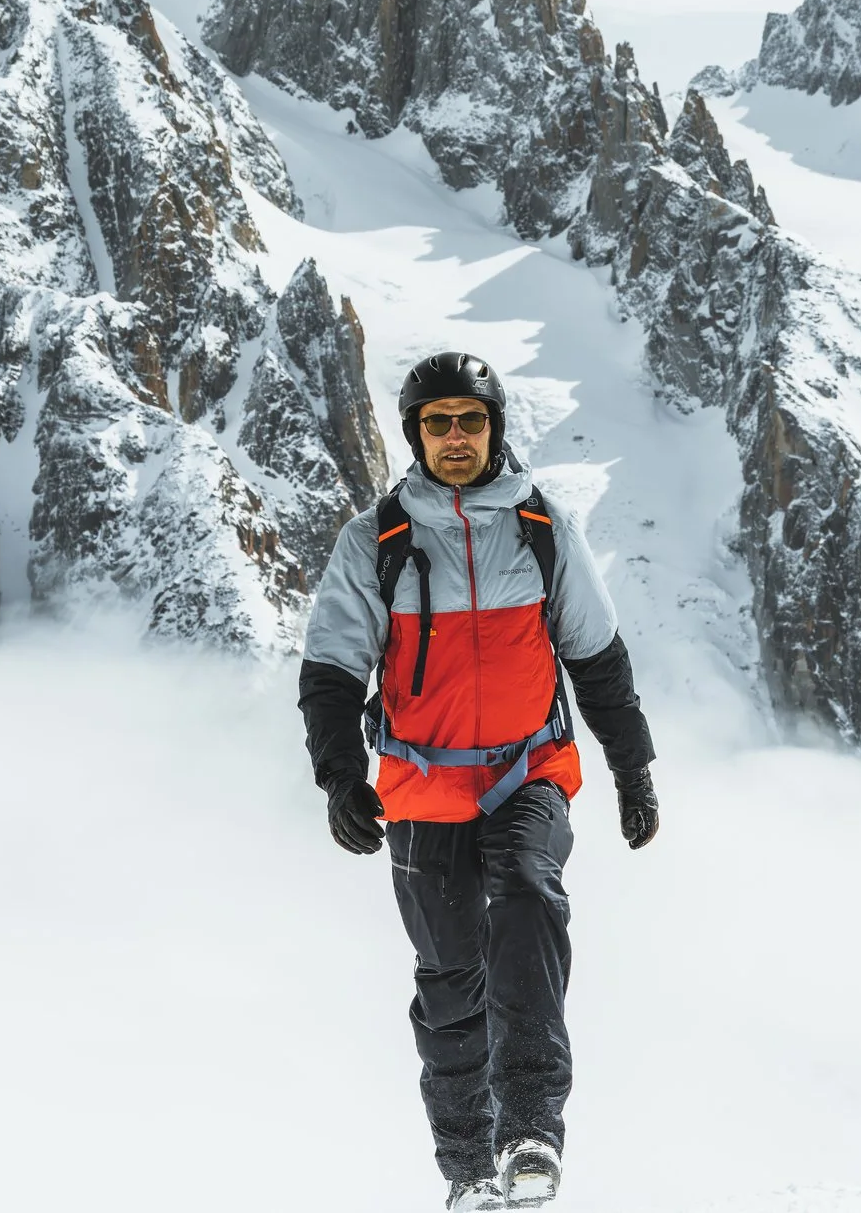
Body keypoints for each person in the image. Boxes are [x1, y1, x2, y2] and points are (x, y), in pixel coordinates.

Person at [299, 352, 661, 1212]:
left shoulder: (542, 528)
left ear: (495, 425)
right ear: (416, 434)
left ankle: (530, 1127)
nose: (455, 437)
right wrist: (341, 774)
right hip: (423, 790)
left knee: (529, 896)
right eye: (438, 422)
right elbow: (332, 670)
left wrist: (632, 768)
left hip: (527, 771)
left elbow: (598, 659)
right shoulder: (376, 542)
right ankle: (467, 1173)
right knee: (451, 980)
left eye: (470, 419)